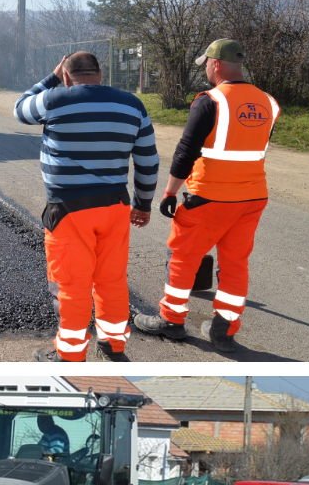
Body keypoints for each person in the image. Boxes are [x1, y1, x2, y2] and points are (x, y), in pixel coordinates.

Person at [131, 39, 281, 355]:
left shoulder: (209, 101)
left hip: (209, 198)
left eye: (207, 67)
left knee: (183, 259)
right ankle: (223, 330)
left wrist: (170, 192)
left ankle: (171, 322)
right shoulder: (268, 102)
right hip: (252, 198)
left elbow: (186, 151)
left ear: (215, 65)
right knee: (235, 264)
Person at [14, 50, 158, 362]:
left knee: (72, 285)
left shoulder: (54, 99)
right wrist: (143, 204)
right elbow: (148, 159)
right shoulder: (132, 104)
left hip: (69, 209)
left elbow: (20, 109)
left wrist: (51, 79)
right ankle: (113, 347)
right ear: (100, 75)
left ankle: (69, 356)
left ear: (66, 76)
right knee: (112, 281)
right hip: (115, 207)